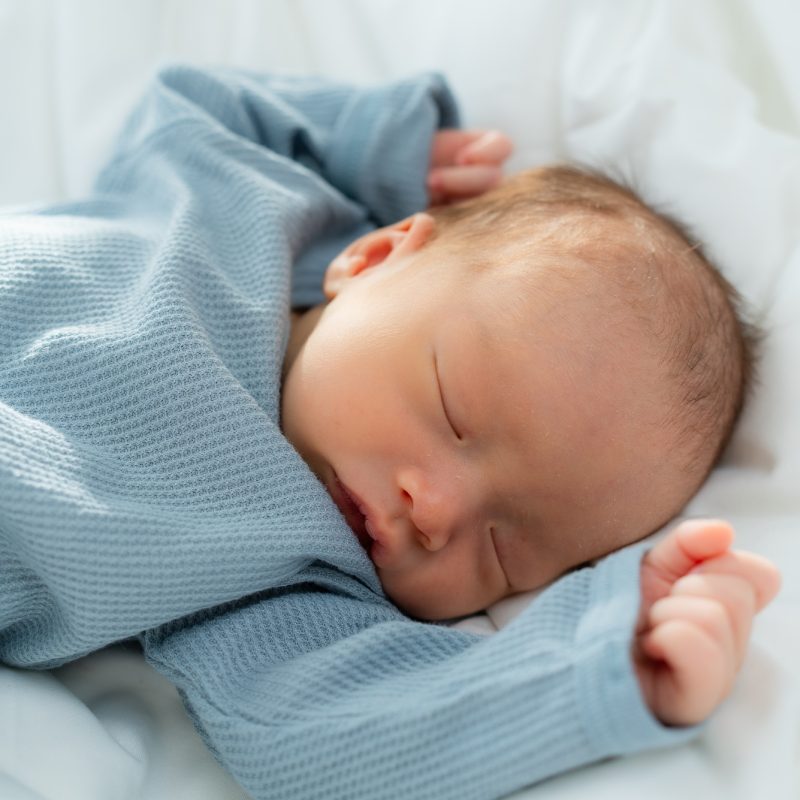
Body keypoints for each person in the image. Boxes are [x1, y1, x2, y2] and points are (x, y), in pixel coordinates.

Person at [0, 65, 780, 799]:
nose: (436, 509)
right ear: (373, 256)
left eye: (504, 549)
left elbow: (327, 729)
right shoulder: (241, 211)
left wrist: (602, 669)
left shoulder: (287, 580)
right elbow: (201, 106)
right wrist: (375, 145)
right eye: (454, 413)